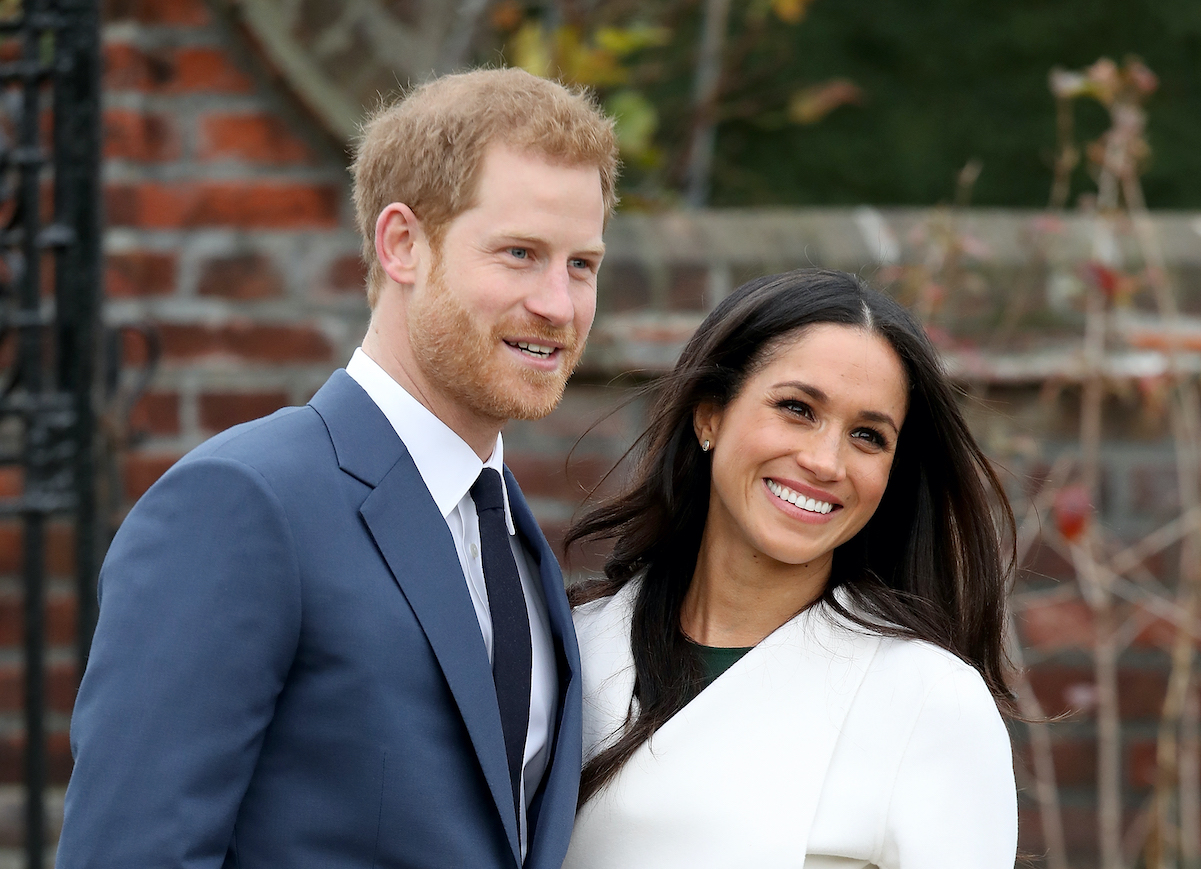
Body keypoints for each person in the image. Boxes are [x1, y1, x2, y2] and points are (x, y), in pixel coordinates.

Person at [58, 67, 618, 869]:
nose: (558, 305)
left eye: (581, 264)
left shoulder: (515, 539)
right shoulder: (243, 502)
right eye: (520, 254)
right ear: (401, 244)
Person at [561, 268, 1018, 869]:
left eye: (867, 436)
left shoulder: (928, 702)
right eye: (797, 409)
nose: (825, 461)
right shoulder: (569, 648)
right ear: (710, 416)